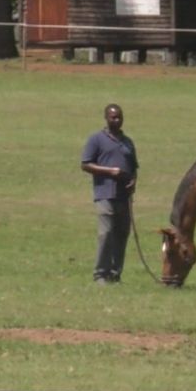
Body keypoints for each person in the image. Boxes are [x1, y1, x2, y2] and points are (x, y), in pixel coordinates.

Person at [80, 102, 139, 284]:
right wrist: (110, 171)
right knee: (106, 233)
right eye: (113, 117)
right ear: (106, 118)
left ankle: (115, 273)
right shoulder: (96, 139)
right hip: (105, 193)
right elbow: (85, 164)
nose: (117, 120)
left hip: (124, 196)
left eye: (119, 117)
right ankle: (100, 274)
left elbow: (134, 167)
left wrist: (133, 181)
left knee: (122, 234)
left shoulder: (127, 142)